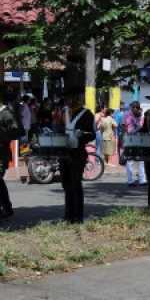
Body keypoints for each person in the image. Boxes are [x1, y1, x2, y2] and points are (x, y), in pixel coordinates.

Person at [61, 87, 94, 223]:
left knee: (76, 184)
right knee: (66, 184)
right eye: (67, 98)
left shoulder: (87, 114)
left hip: (78, 152)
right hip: (64, 152)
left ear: (77, 99)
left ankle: (78, 216)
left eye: (71, 98)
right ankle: (68, 215)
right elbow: (59, 129)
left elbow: (91, 134)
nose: (68, 101)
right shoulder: (64, 113)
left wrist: (82, 136)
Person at [0, 88, 21, 219]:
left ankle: (6, 208)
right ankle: (7, 207)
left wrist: (2, 136)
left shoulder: (6, 114)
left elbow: (16, 131)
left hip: (1, 153)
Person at [123, 102, 147, 186]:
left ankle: (142, 180)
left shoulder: (141, 115)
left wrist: (140, 117)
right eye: (131, 108)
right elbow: (126, 128)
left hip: (139, 139)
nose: (132, 110)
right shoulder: (127, 115)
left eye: (133, 108)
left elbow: (143, 126)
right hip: (130, 140)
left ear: (137, 108)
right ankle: (130, 181)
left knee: (141, 160)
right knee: (130, 161)